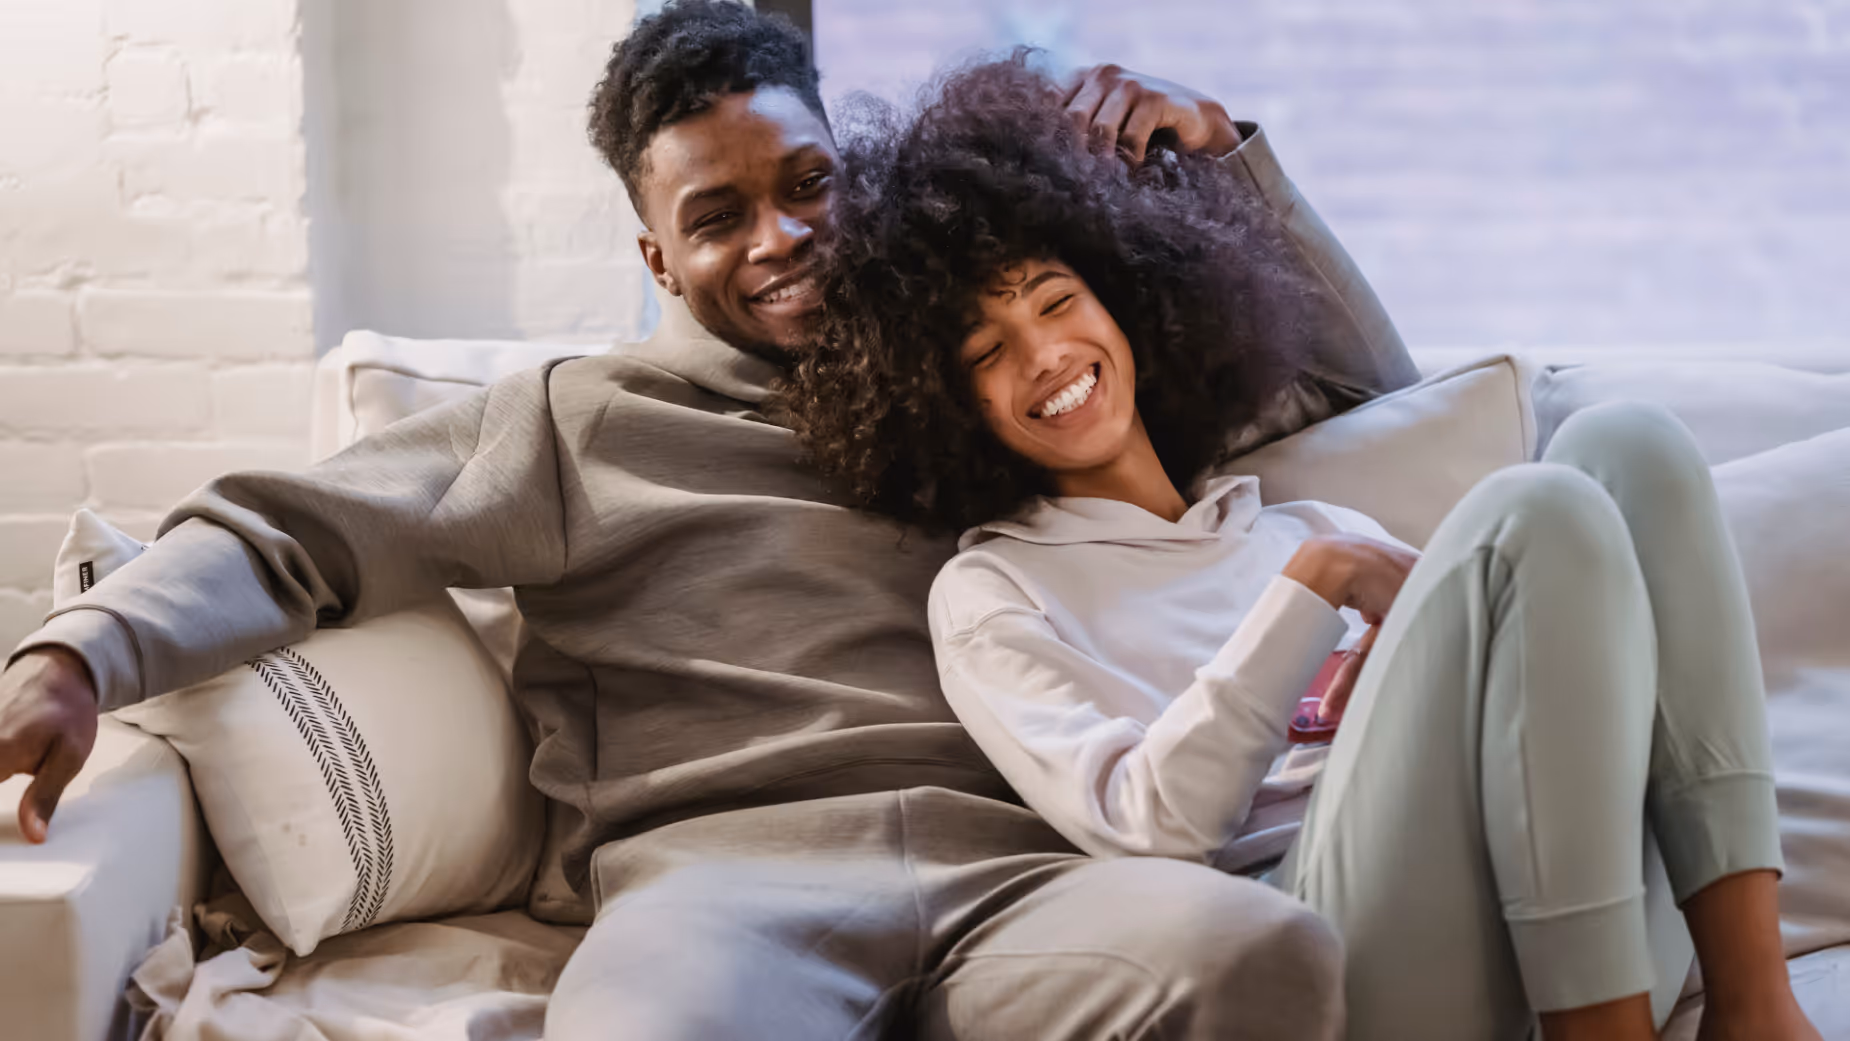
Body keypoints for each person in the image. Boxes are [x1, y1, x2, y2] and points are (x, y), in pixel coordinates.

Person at [0, 3, 1416, 1038]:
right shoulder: (572, 421)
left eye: (806, 187)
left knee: (1252, 951)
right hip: (726, 886)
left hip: (1032, 870)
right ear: (655, 254)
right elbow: (288, 532)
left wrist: (1228, 159)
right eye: (719, 214)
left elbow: (1355, 392)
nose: (779, 238)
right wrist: (80, 655)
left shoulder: (985, 375)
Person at [780, 54, 1821, 1041]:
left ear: (1127, 303)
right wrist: (1309, 594)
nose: (1045, 353)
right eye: (986, 353)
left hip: (1559, 898)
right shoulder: (994, 589)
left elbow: (1512, 696)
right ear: (942, 404)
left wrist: (1343, 583)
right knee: (1535, 514)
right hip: (1344, 947)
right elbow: (1147, 826)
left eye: (1057, 302)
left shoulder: (1299, 521)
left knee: (1627, 445)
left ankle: (1753, 1005)